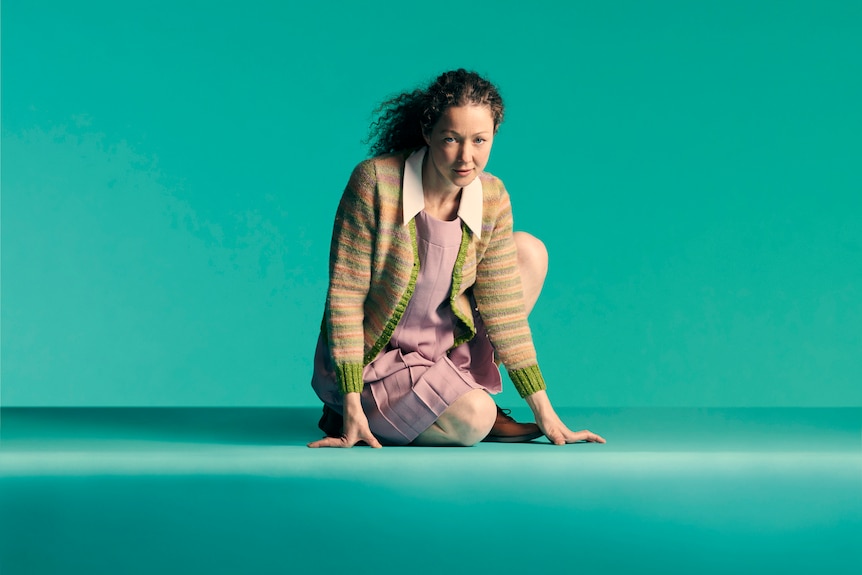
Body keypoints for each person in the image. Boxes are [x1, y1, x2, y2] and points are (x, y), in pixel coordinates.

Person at [308, 69, 606, 448]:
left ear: (494, 136)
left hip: (444, 352)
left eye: (480, 140)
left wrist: (546, 416)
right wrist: (349, 398)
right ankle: (357, 413)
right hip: (375, 362)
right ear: (427, 133)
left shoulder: (492, 196)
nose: (467, 157)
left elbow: (505, 312)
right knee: (476, 420)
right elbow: (346, 297)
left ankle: (456, 393)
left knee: (529, 252)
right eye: (451, 139)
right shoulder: (376, 183)